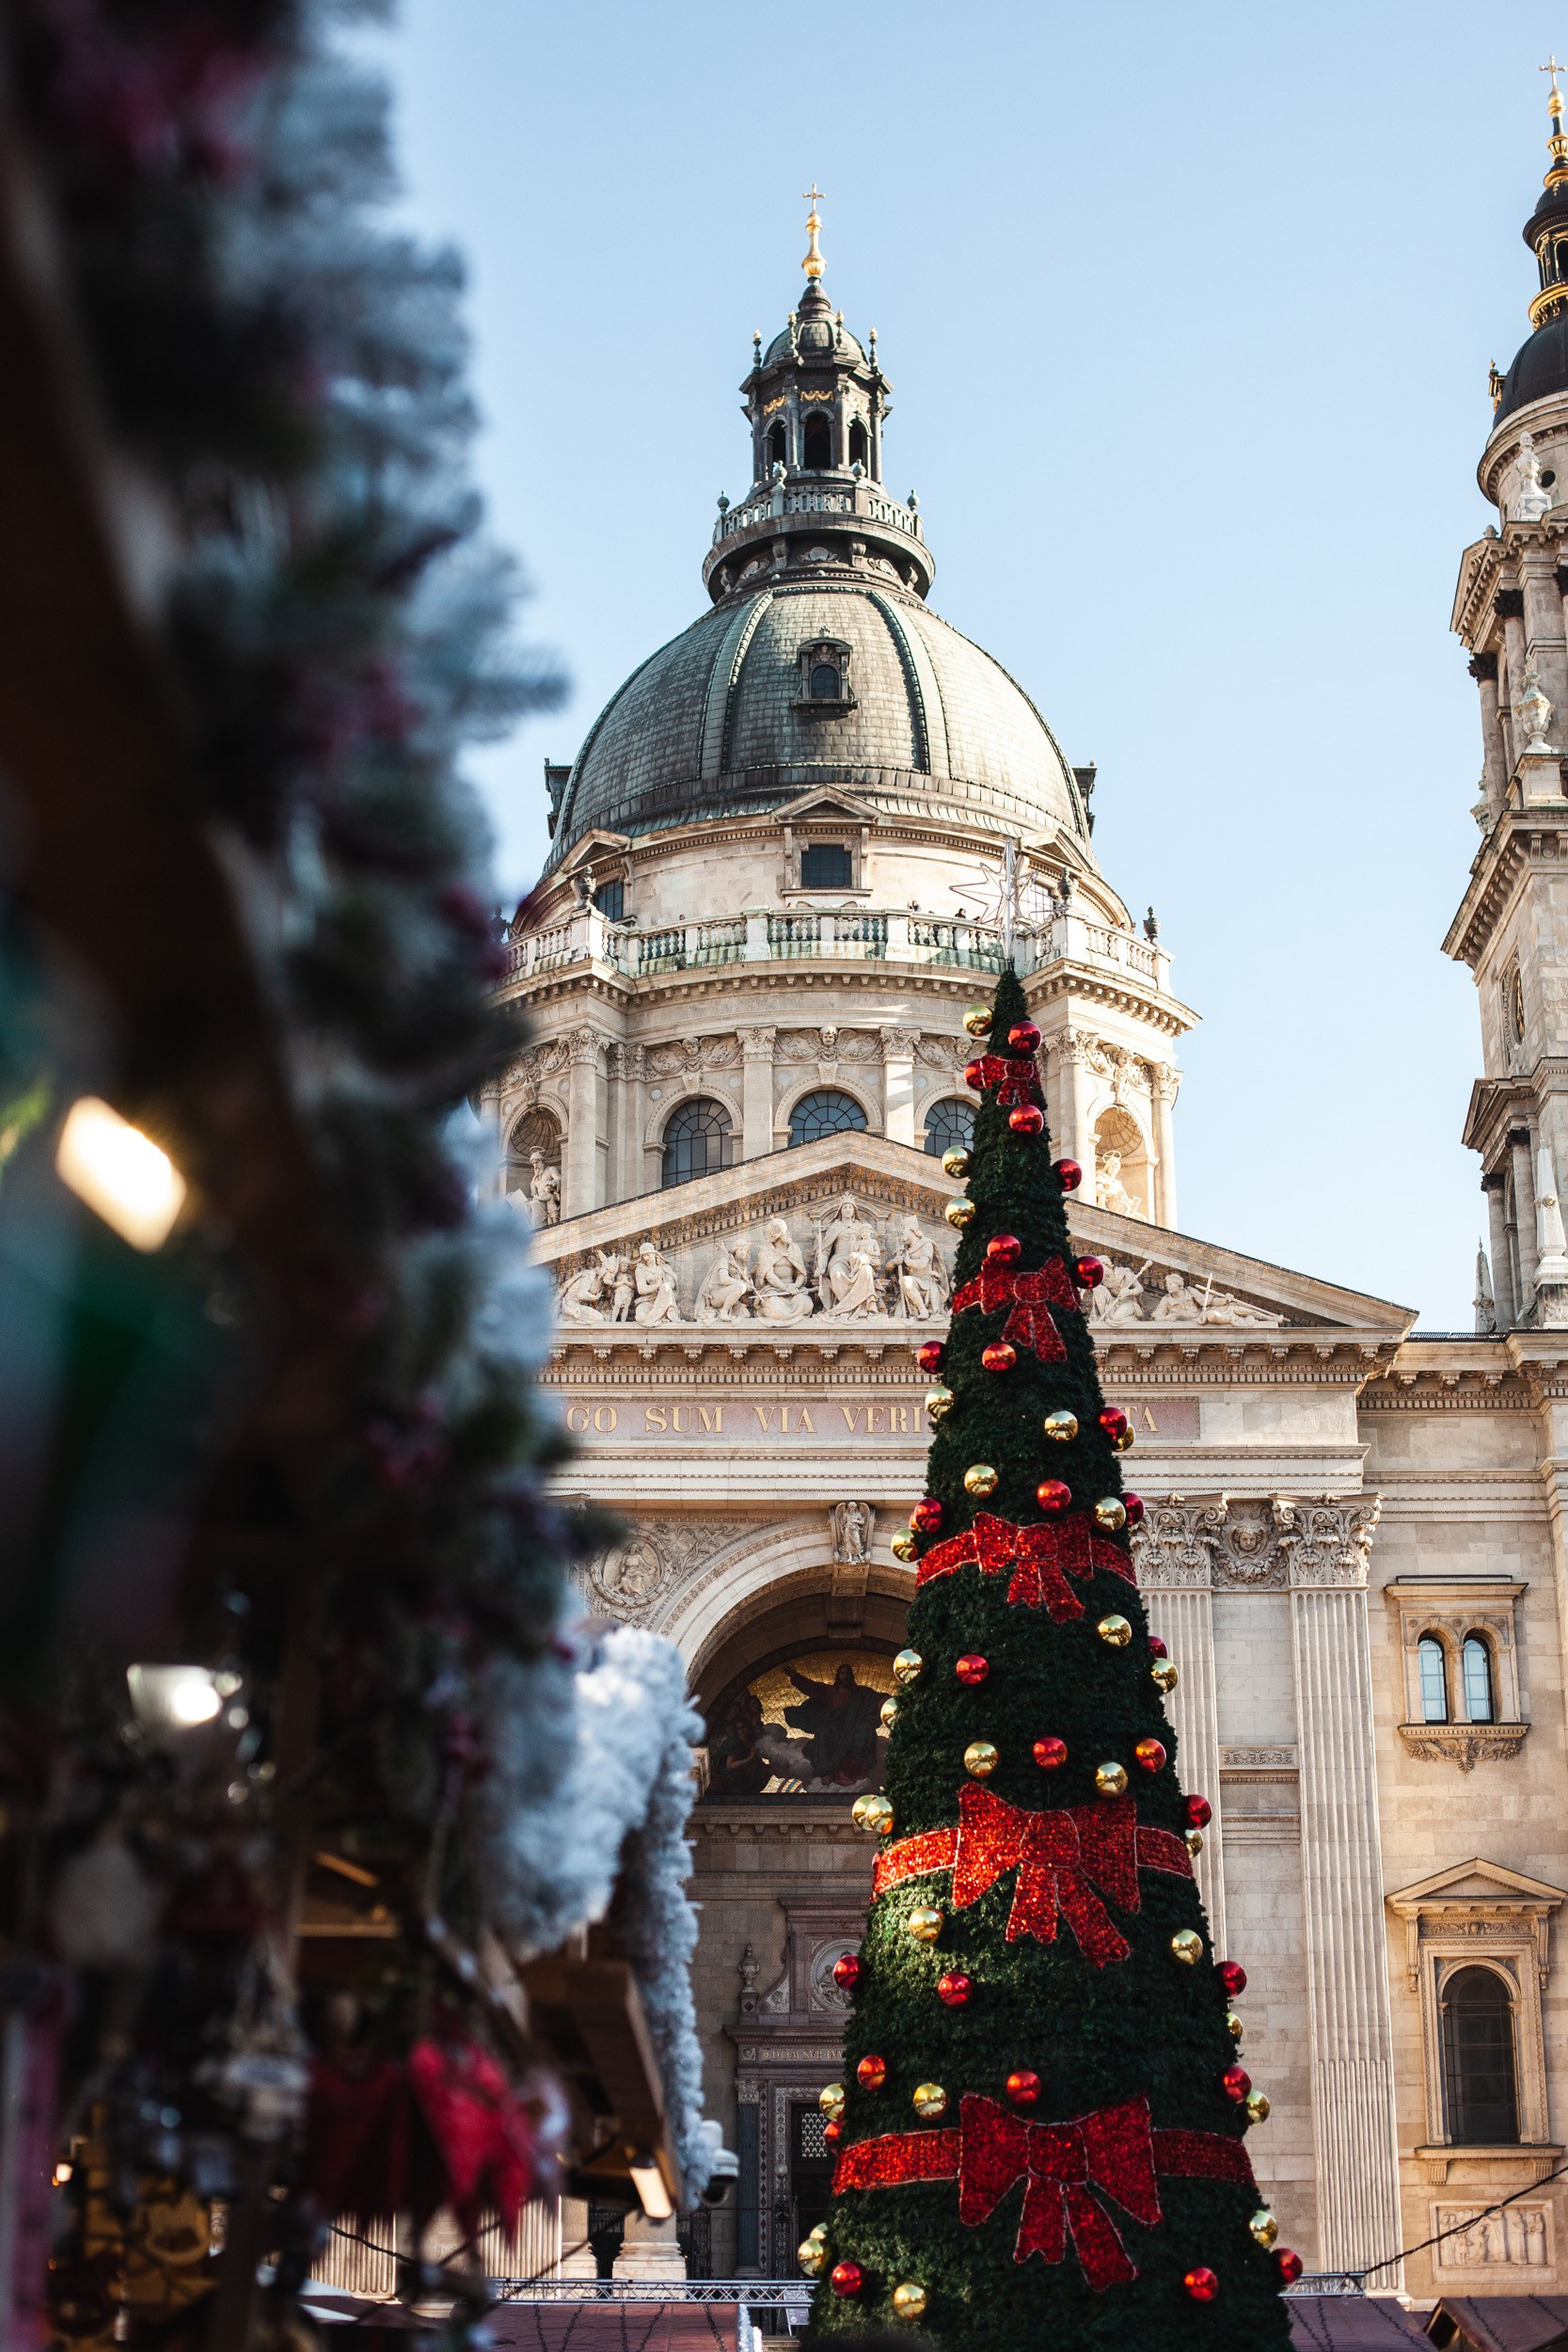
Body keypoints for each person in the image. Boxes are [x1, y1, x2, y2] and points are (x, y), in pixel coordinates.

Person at [783, 1662, 885, 1788]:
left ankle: (857, 1773)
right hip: (833, 1728)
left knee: (864, 1731)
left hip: (853, 1727)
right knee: (824, 1733)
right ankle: (827, 1772)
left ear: (852, 1676)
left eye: (847, 1673)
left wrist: (888, 1702)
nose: (845, 1676)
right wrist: (796, 1677)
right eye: (842, 1673)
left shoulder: (861, 1694)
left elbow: (877, 1699)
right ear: (838, 1676)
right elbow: (812, 1687)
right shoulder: (828, 1691)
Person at [753, 1218, 815, 1321]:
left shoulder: (794, 1248)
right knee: (775, 1310)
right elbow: (769, 1275)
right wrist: (785, 1288)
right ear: (775, 1235)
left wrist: (795, 1286)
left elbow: (801, 1273)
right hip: (774, 1290)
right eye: (782, 1232)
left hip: (793, 1290)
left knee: (806, 1303)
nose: (786, 1234)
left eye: (785, 1231)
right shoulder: (766, 1250)